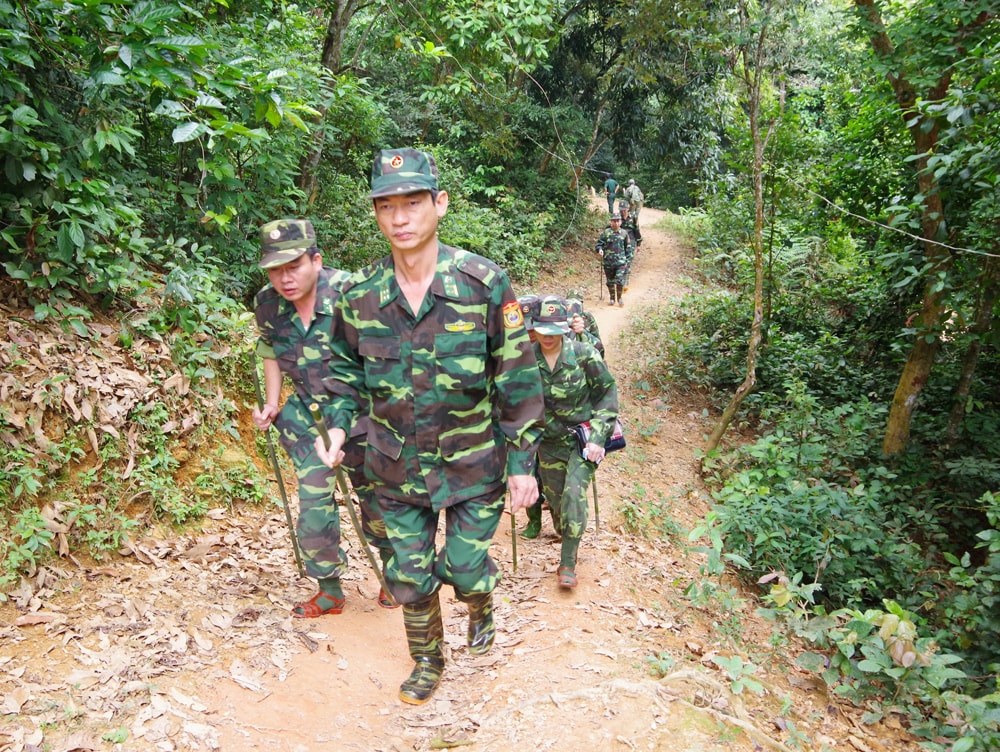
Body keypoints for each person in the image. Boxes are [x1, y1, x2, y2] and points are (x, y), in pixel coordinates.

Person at [314, 148, 545, 705]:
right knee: (412, 578)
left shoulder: (483, 283)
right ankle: (427, 661)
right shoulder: (359, 296)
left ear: (439, 204)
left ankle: (480, 602)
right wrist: (339, 428)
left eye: (413, 202)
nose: (400, 217)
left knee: (464, 568)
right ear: (375, 213)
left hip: (474, 462)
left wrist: (522, 465)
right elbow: (343, 373)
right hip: (395, 466)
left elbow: (516, 376)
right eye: (386, 205)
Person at [252, 219, 396, 618]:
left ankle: (395, 572)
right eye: (275, 269)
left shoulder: (356, 295)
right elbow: (270, 353)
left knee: (378, 501)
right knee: (314, 500)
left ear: (316, 260)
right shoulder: (267, 303)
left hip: (367, 413)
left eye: (294, 265)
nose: (285, 278)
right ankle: (329, 588)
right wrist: (271, 402)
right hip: (309, 415)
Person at [530, 294, 619, 588]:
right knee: (555, 502)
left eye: (554, 331)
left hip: (582, 441)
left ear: (565, 327)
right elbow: (513, 399)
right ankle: (565, 531)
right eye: (543, 331)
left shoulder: (583, 354)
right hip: (548, 442)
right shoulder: (526, 358)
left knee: (572, 497)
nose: (548, 337)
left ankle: (567, 561)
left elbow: (606, 394)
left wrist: (598, 437)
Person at [595, 212, 635, 307]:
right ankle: (612, 298)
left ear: (621, 222)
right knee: (610, 281)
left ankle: (619, 298)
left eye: (618, 221)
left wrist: (628, 262)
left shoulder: (624, 234)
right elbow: (599, 244)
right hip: (608, 262)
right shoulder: (606, 233)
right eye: (614, 221)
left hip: (621, 262)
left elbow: (628, 249)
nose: (616, 223)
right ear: (611, 222)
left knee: (620, 280)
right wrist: (600, 250)